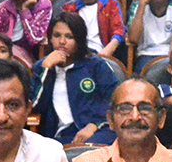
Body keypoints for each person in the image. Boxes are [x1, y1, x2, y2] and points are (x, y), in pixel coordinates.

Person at [32, 13, 118, 146]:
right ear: (50, 38)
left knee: (106, 141)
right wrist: (46, 70)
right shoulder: (42, 67)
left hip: (95, 131)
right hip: (58, 136)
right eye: (57, 36)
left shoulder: (95, 65)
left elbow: (115, 99)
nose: (62, 42)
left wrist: (94, 125)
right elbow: (33, 107)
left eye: (69, 37)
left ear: (79, 40)